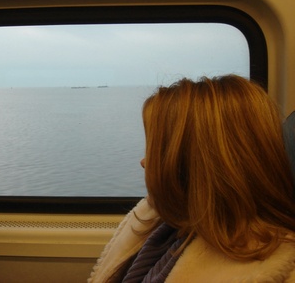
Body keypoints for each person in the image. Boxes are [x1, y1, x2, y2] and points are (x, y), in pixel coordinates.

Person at [88, 75, 295, 282]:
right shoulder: (169, 225)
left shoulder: (270, 272)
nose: (144, 162)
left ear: (195, 164)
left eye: (158, 151)